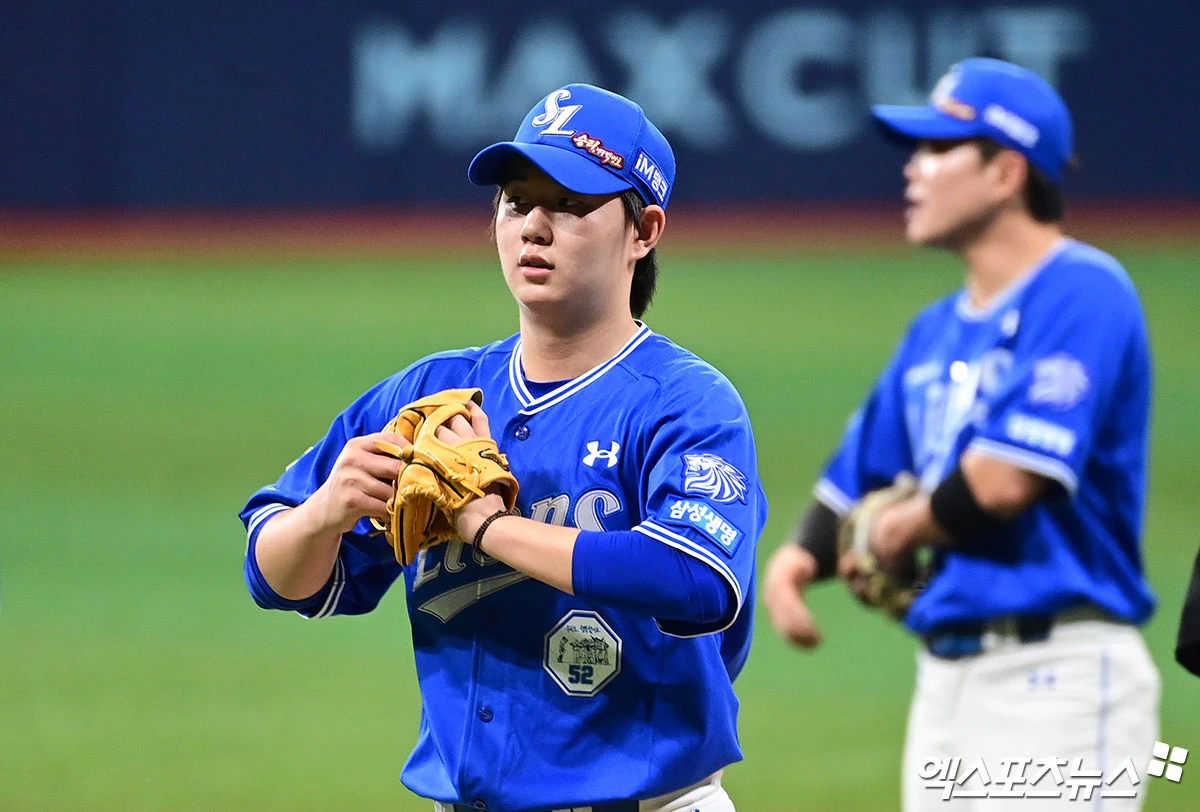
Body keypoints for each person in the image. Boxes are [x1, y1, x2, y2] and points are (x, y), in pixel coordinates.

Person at [239, 83, 765, 812]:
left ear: (644, 231)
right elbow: (277, 580)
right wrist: (324, 514)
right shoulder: (432, 395)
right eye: (517, 202)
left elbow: (694, 578)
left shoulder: (683, 402)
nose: (535, 228)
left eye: (572, 205)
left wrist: (490, 528)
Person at [763, 58, 1160, 810]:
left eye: (939, 149)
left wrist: (898, 529)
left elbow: (1008, 480)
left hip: (1059, 678)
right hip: (945, 685)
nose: (913, 169)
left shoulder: (1082, 291)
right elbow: (860, 472)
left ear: (1007, 171)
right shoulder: (936, 331)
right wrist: (794, 562)